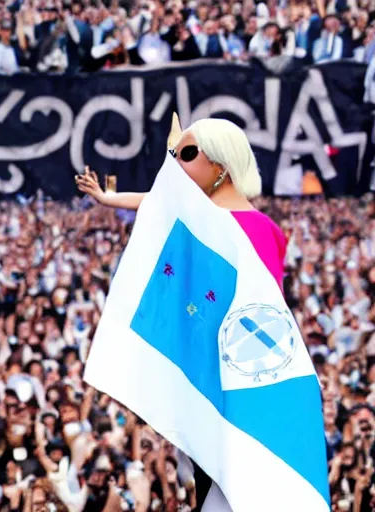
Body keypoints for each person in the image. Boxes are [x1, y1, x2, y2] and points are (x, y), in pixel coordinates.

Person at [76, 116, 288, 509]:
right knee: (206, 487)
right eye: (173, 154)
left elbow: (265, 315)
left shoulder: (256, 229)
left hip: (237, 390)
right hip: (201, 383)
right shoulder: (199, 220)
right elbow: (156, 201)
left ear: (221, 165)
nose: (175, 162)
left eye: (187, 154)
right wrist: (107, 200)